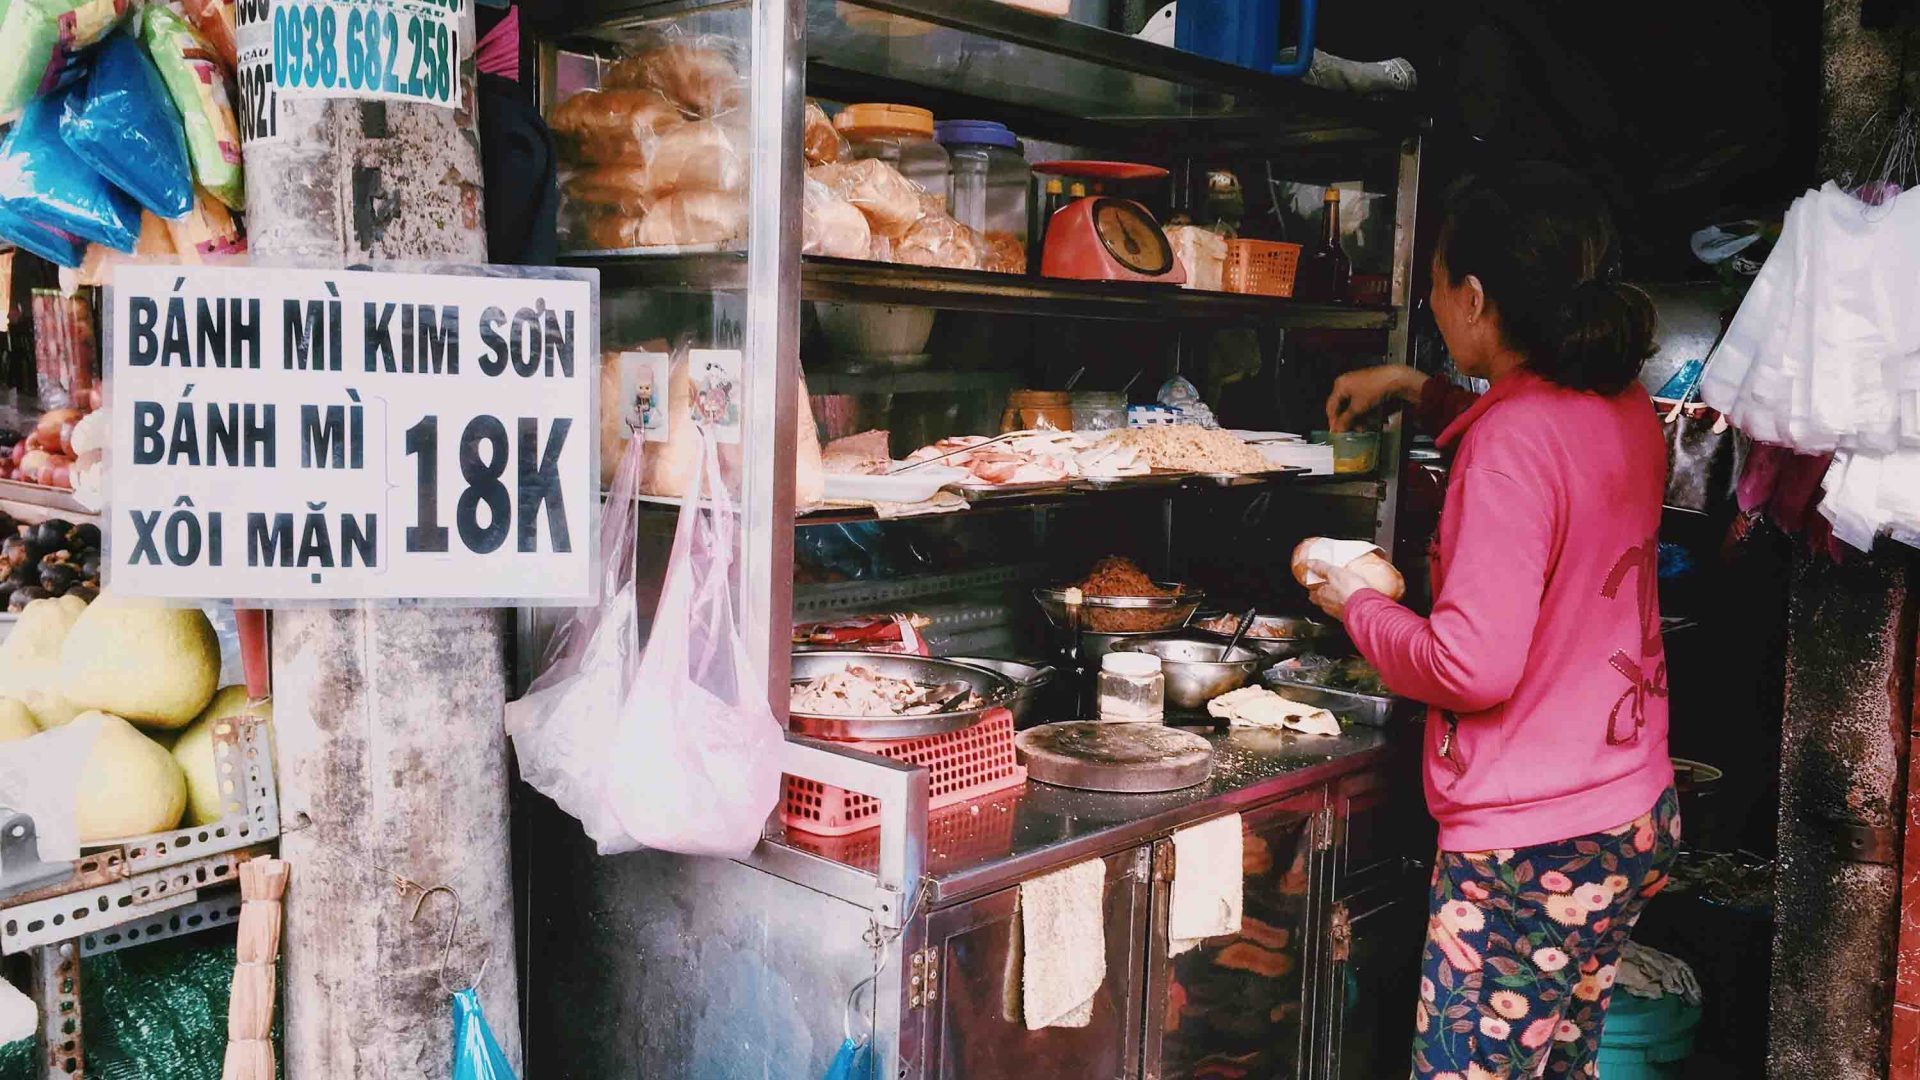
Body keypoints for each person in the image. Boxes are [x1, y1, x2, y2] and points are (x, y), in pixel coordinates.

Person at [1311, 162, 1678, 1080]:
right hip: (1626, 811)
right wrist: (1416, 387)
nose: (1432, 306)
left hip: (1530, 848)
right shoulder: (1623, 404)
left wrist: (1356, 603)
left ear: (1472, 296)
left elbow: (1471, 666)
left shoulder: (1512, 448)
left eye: (1434, 286)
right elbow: (1542, 454)